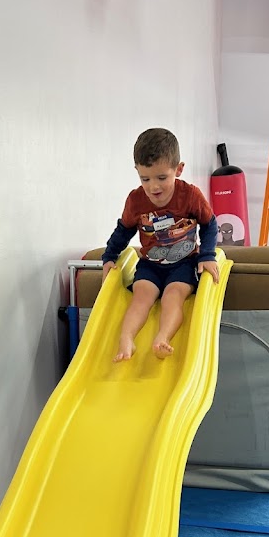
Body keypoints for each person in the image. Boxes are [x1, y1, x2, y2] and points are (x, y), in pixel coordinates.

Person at [102, 127, 219, 362]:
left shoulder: (190, 196)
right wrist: (109, 257)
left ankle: (162, 338)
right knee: (141, 297)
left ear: (178, 169)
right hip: (150, 264)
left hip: (183, 264)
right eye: (145, 179)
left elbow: (209, 224)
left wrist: (207, 255)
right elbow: (124, 229)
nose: (153, 187)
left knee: (172, 297)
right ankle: (127, 338)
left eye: (162, 178)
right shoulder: (136, 200)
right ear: (137, 172)